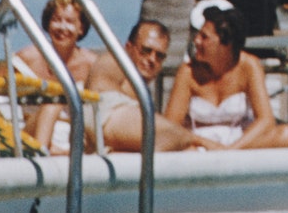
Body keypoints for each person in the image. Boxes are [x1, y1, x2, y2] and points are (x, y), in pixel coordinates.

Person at [164, 2, 288, 150]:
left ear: (225, 44)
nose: (196, 41)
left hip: (238, 141)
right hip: (198, 142)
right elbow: (171, 125)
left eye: (204, 37)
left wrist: (231, 150)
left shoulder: (249, 65)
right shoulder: (188, 71)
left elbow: (266, 120)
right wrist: (204, 143)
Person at [85, 18, 201, 153]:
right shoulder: (115, 60)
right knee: (178, 137)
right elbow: (99, 87)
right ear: (129, 47)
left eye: (159, 56)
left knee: (187, 147)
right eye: (146, 50)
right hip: (101, 121)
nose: (152, 59)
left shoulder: (141, 92)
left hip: (111, 141)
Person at [18, 0, 93, 154]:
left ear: (81, 28)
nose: (62, 27)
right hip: (31, 138)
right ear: (48, 23)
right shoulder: (28, 58)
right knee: (53, 103)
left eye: (70, 21)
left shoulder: (91, 65)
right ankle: (41, 163)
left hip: (76, 146)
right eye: (56, 20)